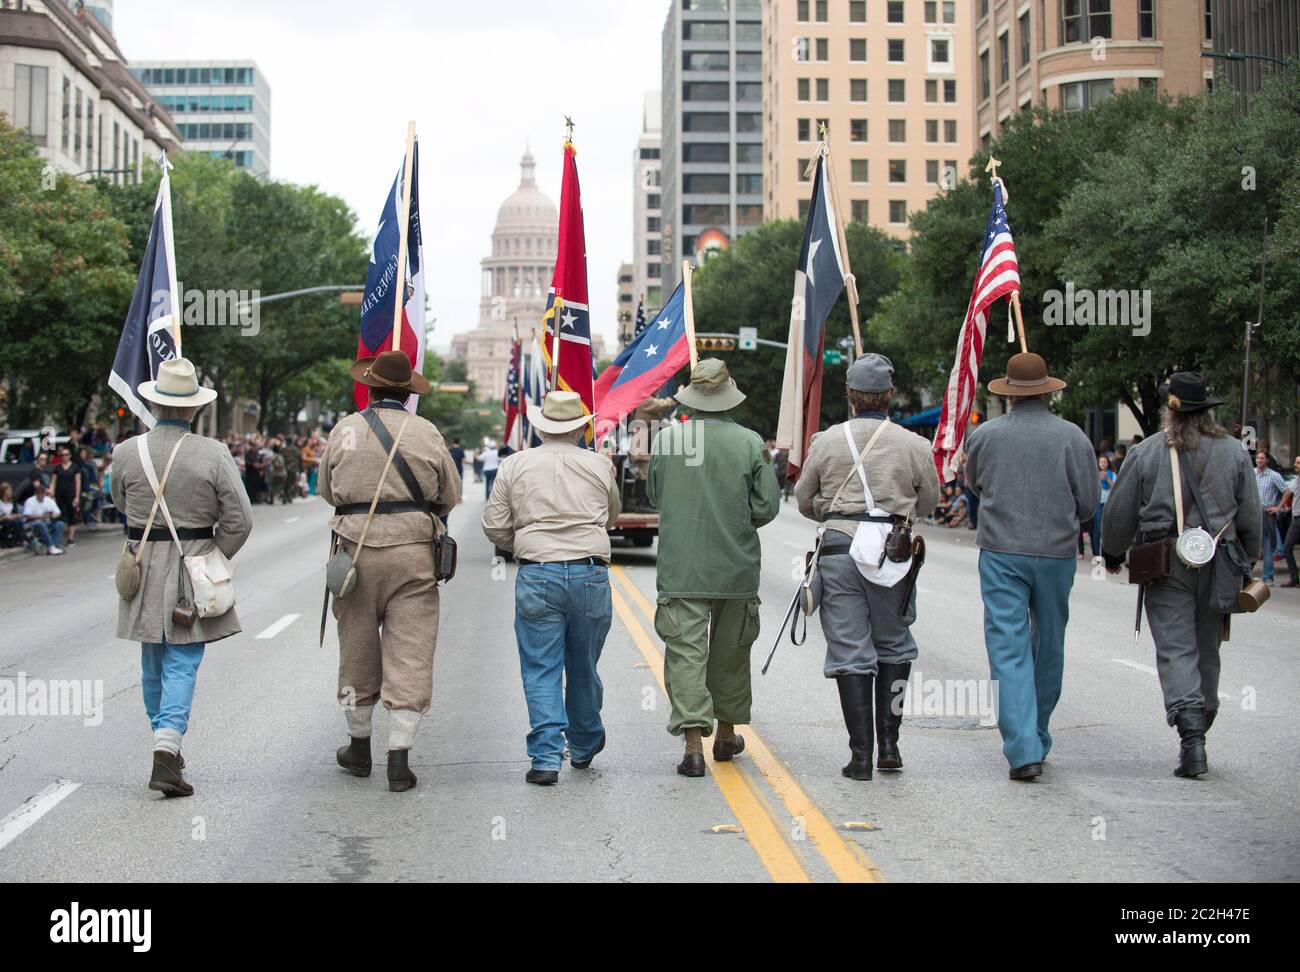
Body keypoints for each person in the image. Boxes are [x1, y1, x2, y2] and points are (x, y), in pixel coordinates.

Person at [1102, 373, 1260, 778]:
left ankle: (1192, 739)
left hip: (1165, 561)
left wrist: (1113, 552)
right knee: (1208, 648)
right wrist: (1250, 559)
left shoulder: (1148, 452)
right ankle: (1201, 722)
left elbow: (1118, 514)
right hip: (1221, 561)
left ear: (1169, 414)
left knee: (1177, 649)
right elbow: (1250, 516)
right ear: (1208, 412)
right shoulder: (1234, 454)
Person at [110, 358, 253, 797]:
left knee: (152, 658)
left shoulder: (125, 451)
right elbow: (240, 519)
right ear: (192, 409)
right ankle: (166, 749)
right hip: (194, 561)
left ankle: (164, 744)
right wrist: (212, 557)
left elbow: (119, 501)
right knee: (183, 659)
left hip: (142, 562)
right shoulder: (213, 453)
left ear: (154, 405)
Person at [320, 351, 461, 793]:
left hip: (355, 552)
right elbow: (450, 494)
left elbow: (327, 490)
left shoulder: (344, 429)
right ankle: (399, 757)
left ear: (370, 386)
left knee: (357, 649)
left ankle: (358, 747)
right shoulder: (427, 432)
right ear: (407, 392)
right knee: (411, 651)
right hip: (413, 552)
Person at [795, 354, 941, 780]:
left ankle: (860, 758)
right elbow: (928, 502)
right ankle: (890, 746)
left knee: (850, 651)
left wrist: (830, 506)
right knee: (894, 645)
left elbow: (807, 501)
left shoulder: (826, 442)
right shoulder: (915, 445)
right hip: (892, 553)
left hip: (840, 549)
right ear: (890, 395)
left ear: (849, 396)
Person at [964, 352, 1099, 781]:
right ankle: (1036, 731)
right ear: (1048, 391)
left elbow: (974, 484)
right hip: (1057, 553)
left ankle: (1023, 747)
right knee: (1050, 644)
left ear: (1009, 394)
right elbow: (1089, 502)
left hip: (1003, 551)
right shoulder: (1074, 438)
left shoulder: (985, 436)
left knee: (1008, 647)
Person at [648, 359, 781, 777]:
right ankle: (725, 735)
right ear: (728, 396)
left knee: (686, 654)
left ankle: (692, 747)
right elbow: (767, 506)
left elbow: (656, 496)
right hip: (735, 567)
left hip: (681, 567)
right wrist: (736, 523)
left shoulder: (667, 441)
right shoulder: (750, 442)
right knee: (731, 653)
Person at [481, 391, 621, 785]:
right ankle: (584, 740)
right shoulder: (599, 465)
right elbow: (611, 516)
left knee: (541, 667)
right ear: (580, 426)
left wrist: (527, 544)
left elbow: (494, 524)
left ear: (540, 427)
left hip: (537, 572)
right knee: (583, 664)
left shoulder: (514, 465)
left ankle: (545, 757)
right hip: (589, 572)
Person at [1253, 449, 1288, 586]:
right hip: (1253, 513)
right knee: (1251, 545)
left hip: (1267, 513)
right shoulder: (1252, 473)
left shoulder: (1274, 475)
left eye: (1262, 458)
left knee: (1267, 546)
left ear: (1267, 460)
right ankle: (1247, 575)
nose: (1260, 460)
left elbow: (1286, 491)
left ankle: (1268, 577)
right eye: (1258, 458)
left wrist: (1278, 507)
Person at [21, 481, 66, 554]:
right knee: (40, 524)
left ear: (45, 493)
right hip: (33, 523)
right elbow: (27, 515)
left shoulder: (49, 500)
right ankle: (51, 546)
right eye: (39, 493)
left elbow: (58, 512)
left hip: (47, 521)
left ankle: (54, 546)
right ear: (36, 493)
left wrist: (53, 515)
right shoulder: (30, 501)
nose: (41, 495)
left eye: (42, 493)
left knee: (60, 524)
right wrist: (41, 516)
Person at [52, 446, 82, 545]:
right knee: (58, 515)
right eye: (62, 455)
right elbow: (53, 482)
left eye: (66, 454)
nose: (64, 457)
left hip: (71, 494)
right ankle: (57, 538)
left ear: (70, 456)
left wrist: (77, 497)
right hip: (59, 494)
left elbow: (78, 482)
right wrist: (51, 492)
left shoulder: (75, 467)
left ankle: (71, 538)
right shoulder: (57, 468)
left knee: (71, 515)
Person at [1090, 455, 1117, 558]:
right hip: (1098, 504)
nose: (1103, 464)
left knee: (1107, 529)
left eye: (1104, 462)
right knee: (1097, 529)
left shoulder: (1112, 474)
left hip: (1109, 504)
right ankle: (1096, 553)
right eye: (1101, 462)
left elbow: (1115, 487)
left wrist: (1107, 478)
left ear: (1108, 463)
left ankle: (1107, 552)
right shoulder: (1095, 474)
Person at [1281, 455, 1300, 588]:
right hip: (1296, 517)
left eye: (1298, 463)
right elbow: (1288, 491)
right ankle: (1294, 578)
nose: (1295, 465)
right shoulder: (1297, 479)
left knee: (1287, 546)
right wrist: (1280, 506)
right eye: (1295, 462)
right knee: (1287, 547)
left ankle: (1294, 578)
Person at [0, 482, 28, 548]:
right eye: (8, 490)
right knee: (16, 522)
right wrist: (5, 517)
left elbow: (16, 513)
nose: (10, 492)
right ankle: (23, 540)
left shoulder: (11, 502)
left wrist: (16, 515)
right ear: (3, 492)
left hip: (10, 520)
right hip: (2, 520)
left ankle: (21, 540)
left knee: (19, 521)